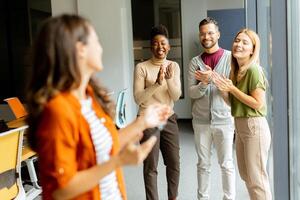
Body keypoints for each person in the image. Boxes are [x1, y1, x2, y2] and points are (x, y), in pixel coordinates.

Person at [26, 14, 171, 200]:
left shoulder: (89, 96)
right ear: (80, 50)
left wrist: (143, 122)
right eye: (97, 41)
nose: (101, 48)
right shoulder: (58, 110)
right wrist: (118, 161)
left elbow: (105, 144)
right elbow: (61, 189)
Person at [213, 28, 272, 200]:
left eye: (245, 42)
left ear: (253, 49)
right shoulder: (236, 71)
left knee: (258, 180)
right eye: (237, 40)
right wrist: (224, 90)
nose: (239, 44)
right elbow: (235, 103)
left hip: (254, 126)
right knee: (247, 176)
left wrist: (231, 88)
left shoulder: (253, 70)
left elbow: (257, 103)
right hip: (240, 127)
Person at [187, 17, 235, 200]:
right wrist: (203, 84)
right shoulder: (194, 62)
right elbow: (191, 93)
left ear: (218, 34)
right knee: (203, 164)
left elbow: (233, 89)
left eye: (210, 32)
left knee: (226, 164)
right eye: (203, 33)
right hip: (201, 122)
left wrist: (212, 77)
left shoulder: (230, 58)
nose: (206, 36)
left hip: (224, 119)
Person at [133, 24, 181, 200]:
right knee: (151, 165)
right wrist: (156, 84)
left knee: (174, 163)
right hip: (147, 119)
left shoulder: (173, 66)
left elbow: (176, 95)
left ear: (169, 46)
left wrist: (168, 80)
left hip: (168, 118)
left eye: (163, 43)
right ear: (150, 46)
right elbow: (138, 99)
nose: (159, 47)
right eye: (155, 43)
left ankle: (172, 197)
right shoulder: (142, 68)